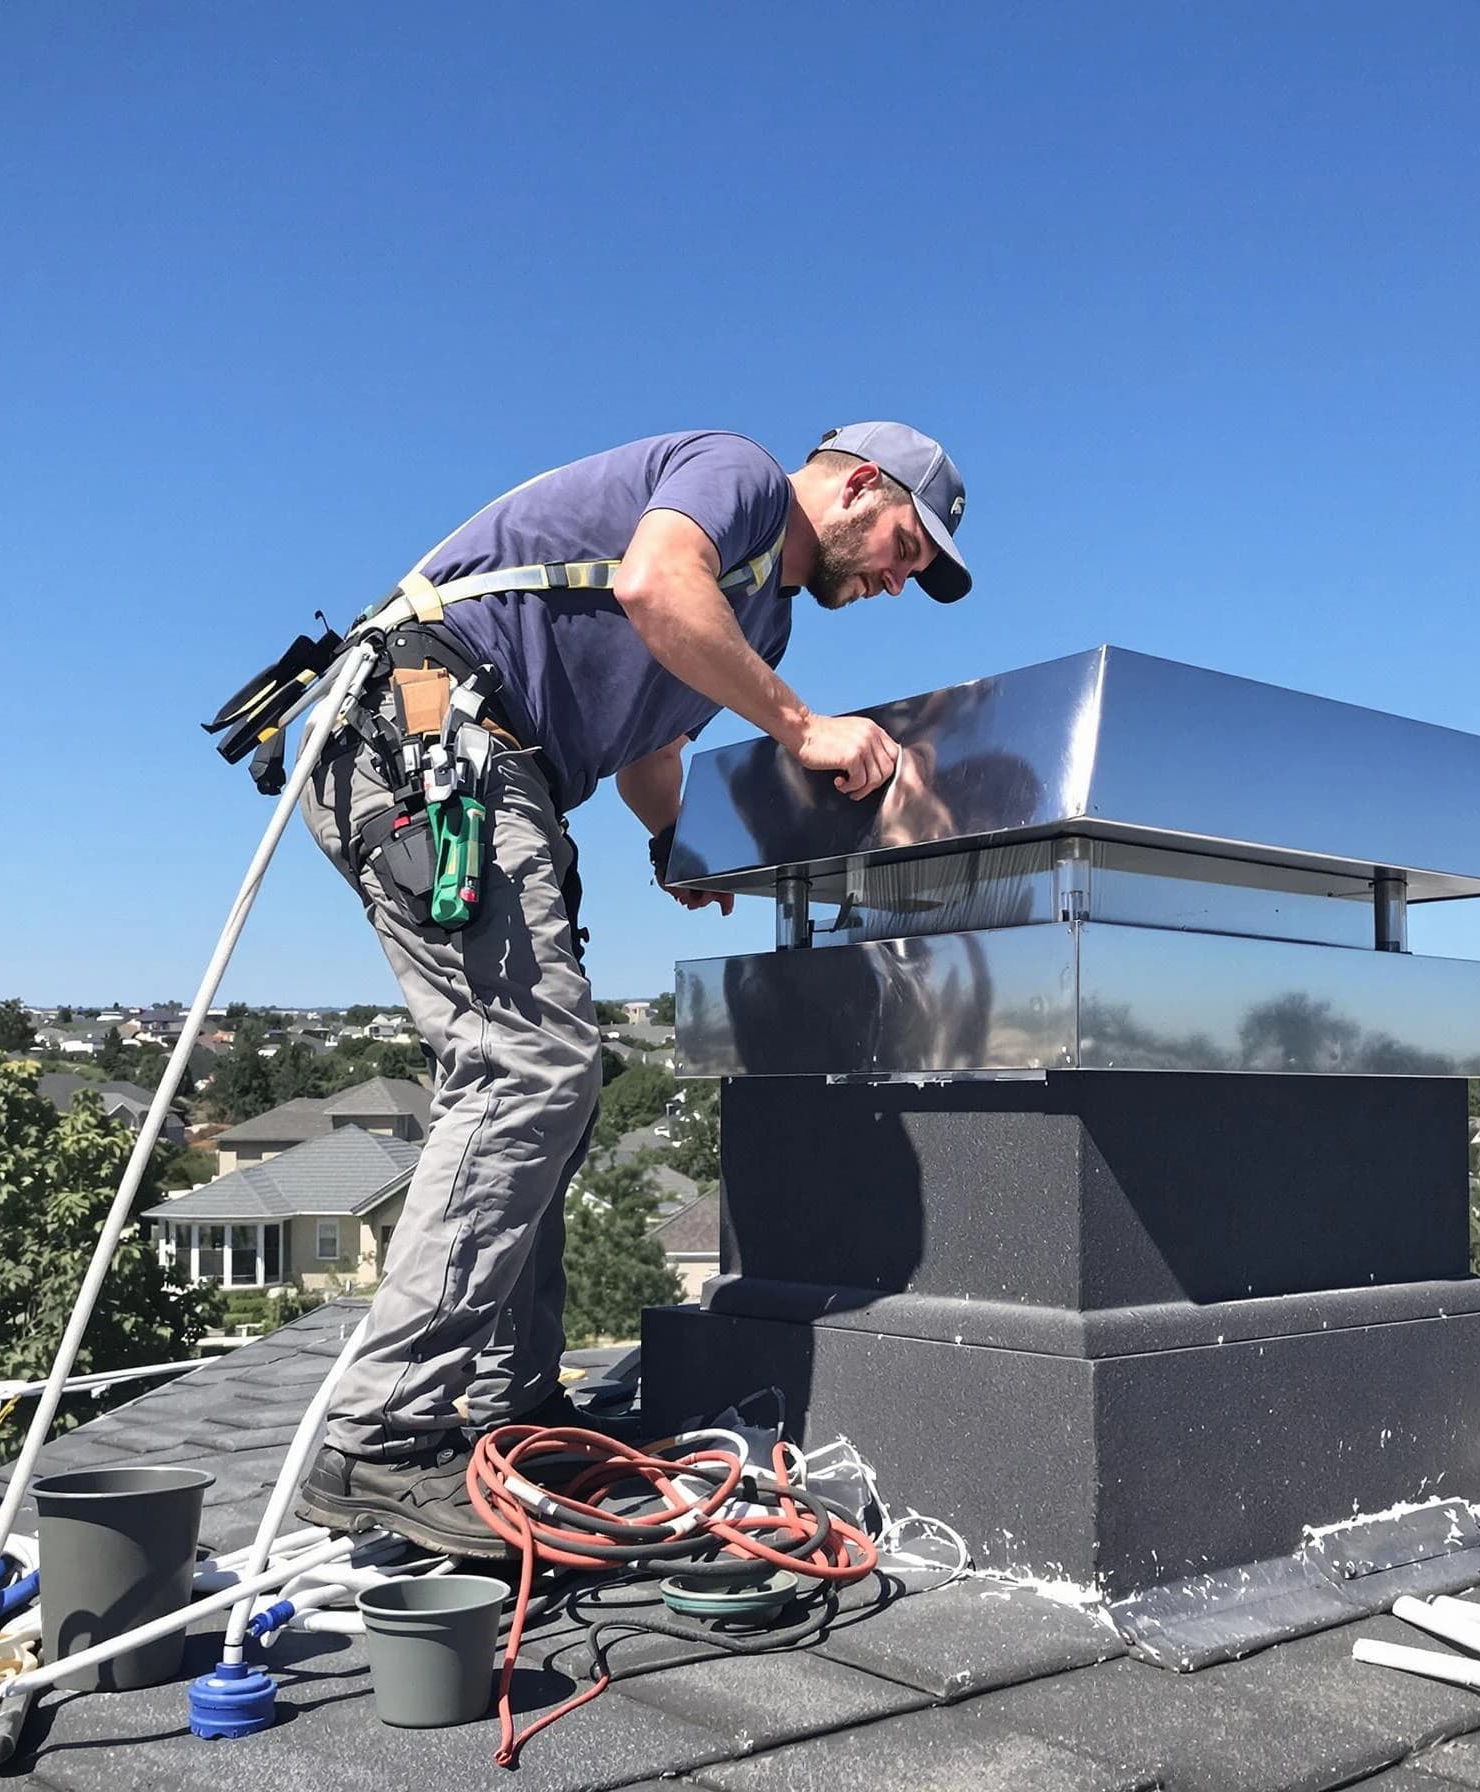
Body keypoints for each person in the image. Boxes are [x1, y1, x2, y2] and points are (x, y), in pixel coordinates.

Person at [293, 422, 971, 1556]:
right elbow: (656, 585)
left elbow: (649, 751)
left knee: (549, 1081)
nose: (902, 578)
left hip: (488, 765)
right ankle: (380, 1436)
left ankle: (514, 1413)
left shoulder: (762, 611)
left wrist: (672, 845)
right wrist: (801, 726)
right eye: (908, 543)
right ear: (860, 483)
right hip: (428, 733)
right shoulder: (739, 477)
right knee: (528, 1068)